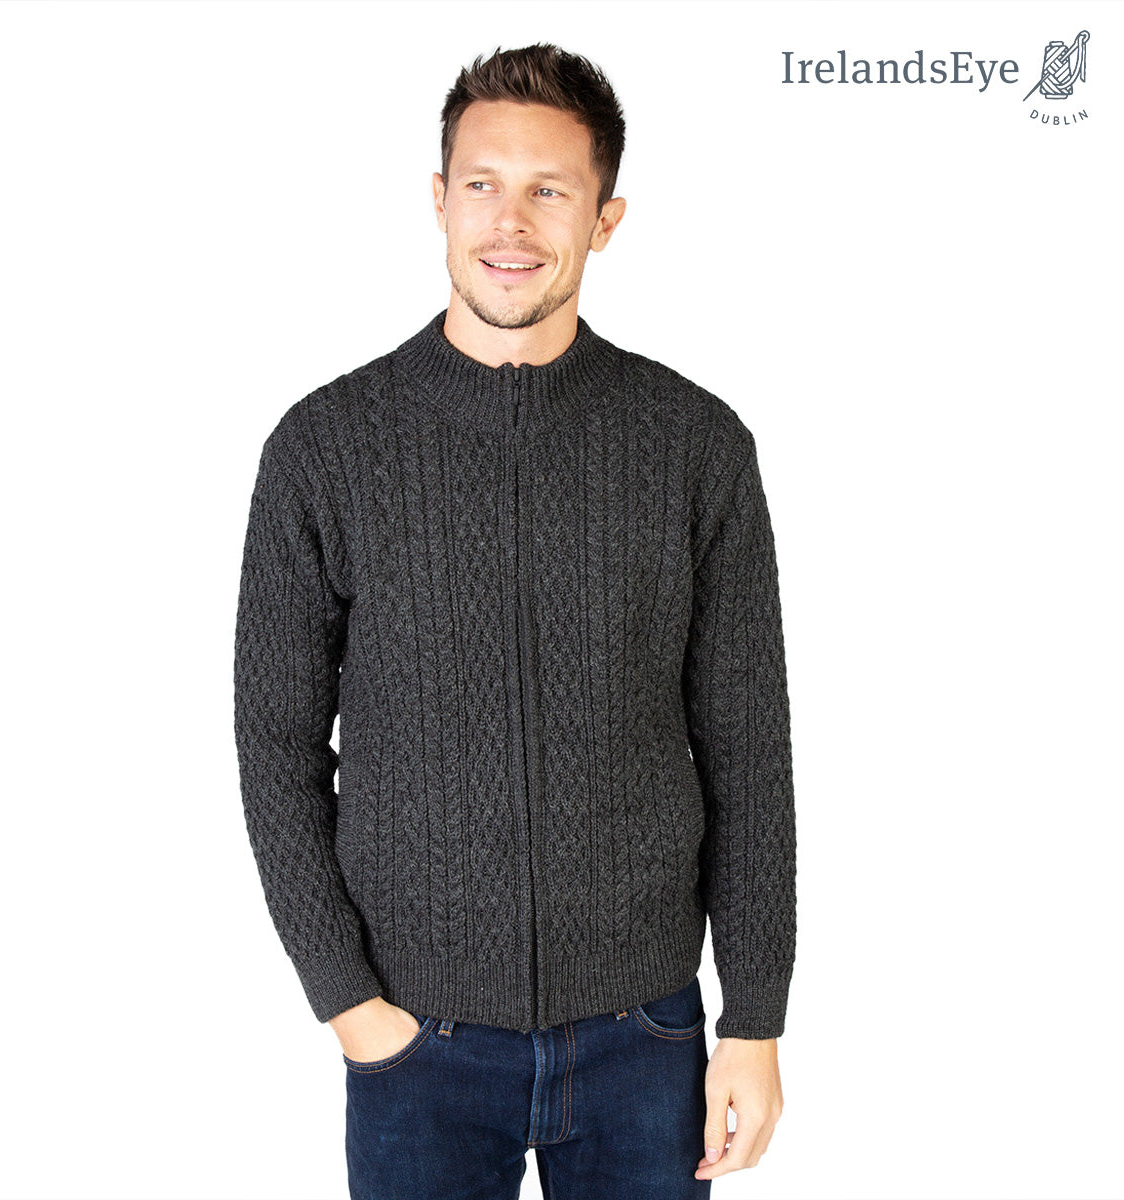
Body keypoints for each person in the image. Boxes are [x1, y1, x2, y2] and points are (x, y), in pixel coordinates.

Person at [233, 42, 796, 1199]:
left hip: (647, 1039)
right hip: (416, 1045)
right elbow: (274, 745)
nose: (511, 223)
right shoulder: (324, 449)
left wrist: (756, 1017)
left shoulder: (696, 446)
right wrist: (348, 1003)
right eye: (484, 184)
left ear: (606, 219)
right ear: (439, 200)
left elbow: (750, 749)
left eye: (551, 190)